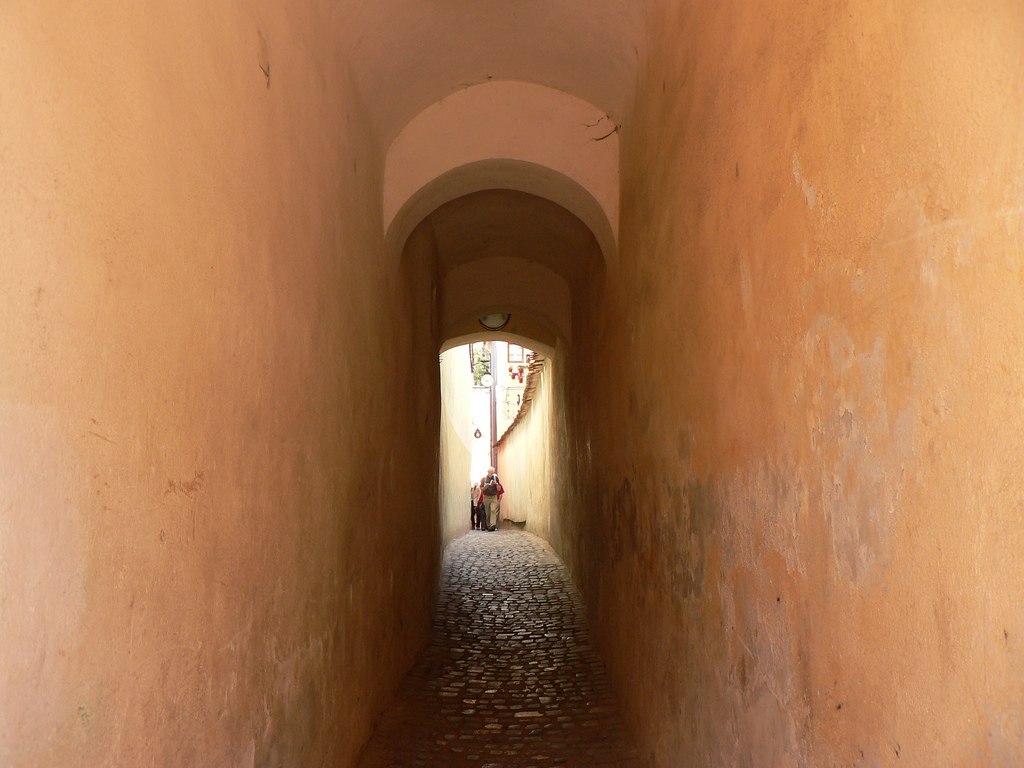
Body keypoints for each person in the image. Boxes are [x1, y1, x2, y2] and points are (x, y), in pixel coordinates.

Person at [479, 467, 503, 531]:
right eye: (490, 473)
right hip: (486, 497)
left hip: (494, 496)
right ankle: (488, 526)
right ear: (488, 472)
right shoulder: (483, 479)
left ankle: (492, 525)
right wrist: (486, 486)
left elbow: (499, 489)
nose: (491, 474)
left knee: (493, 510)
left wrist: (496, 484)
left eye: (492, 473)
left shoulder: (495, 478)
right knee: (487, 512)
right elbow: (481, 489)